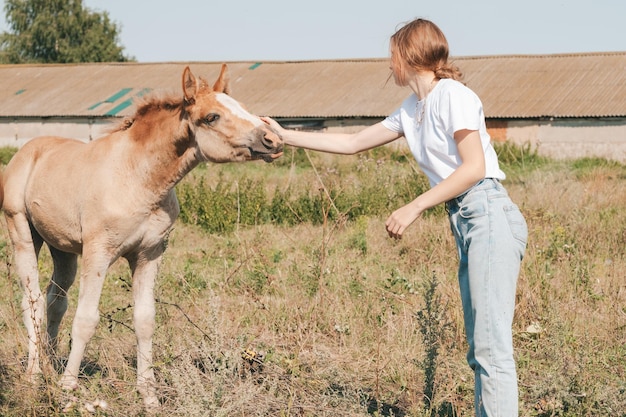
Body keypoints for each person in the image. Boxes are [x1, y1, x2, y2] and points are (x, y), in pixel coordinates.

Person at [263, 18, 527, 417]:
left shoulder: (453, 95)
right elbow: (352, 143)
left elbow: (473, 167)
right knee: (480, 349)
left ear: (408, 56)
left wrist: (415, 205)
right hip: (466, 219)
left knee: (492, 349)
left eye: (392, 55)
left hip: (488, 211)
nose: (389, 65)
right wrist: (286, 134)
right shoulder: (412, 109)